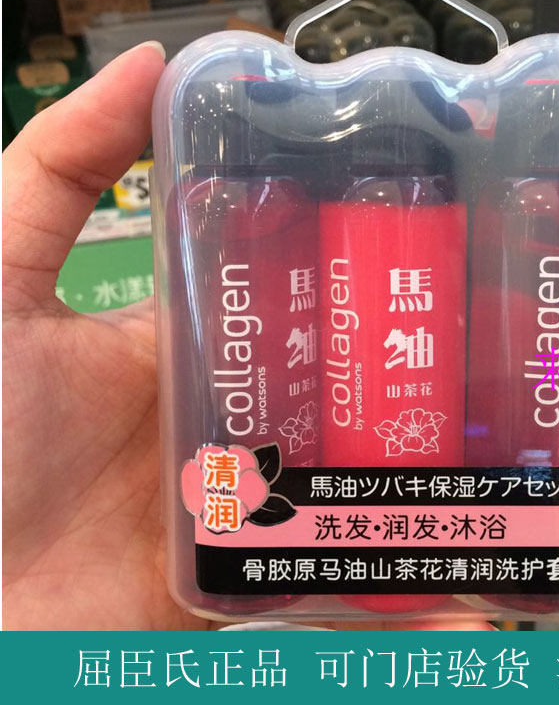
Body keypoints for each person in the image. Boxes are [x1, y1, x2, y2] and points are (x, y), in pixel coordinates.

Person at [2, 42, 492, 631]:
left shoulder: (319, 201)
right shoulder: (223, 200)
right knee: (263, 394)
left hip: (381, 528)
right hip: (238, 533)